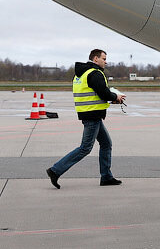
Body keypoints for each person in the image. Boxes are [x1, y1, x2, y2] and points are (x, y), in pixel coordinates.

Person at [46, 49, 126, 188]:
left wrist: (111, 99)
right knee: (85, 148)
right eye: (104, 58)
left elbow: (94, 94)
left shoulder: (82, 73)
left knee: (106, 143)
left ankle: (106, 177)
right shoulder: (95, 73)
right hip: (92, 115)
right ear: (95, 59)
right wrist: (115, 97)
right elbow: (103, 93)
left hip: (90, 114)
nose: (106, 62)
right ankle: (55, 170)